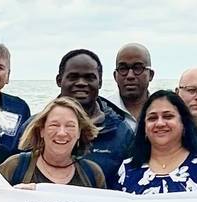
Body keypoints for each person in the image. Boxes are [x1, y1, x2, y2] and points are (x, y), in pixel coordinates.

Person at [48, 49, 135, 186]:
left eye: (89, 77)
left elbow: (131, 184)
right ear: (59, 80)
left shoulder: (122, 133)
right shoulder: (36, 127)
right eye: (73, 77)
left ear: (100, 82)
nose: (81, 83)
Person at [117, 90, 197, 194]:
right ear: (144, 127)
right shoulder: (127, 169)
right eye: (152, 118)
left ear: (183, 123)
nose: (160, 123)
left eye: (168, 116)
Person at [0, 97, 108, 188]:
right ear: (42, 130)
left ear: (79, 132)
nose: (61, 133)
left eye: (70, 126)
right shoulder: (15, 166)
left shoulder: (93, 174)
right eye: (54, 125)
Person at [107, 43, 153, 130]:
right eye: (123, 69)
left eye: (137, 68)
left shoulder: (161, 111)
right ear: (115, 76)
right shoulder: (103, 111)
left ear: (150, 75)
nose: (130, 76)